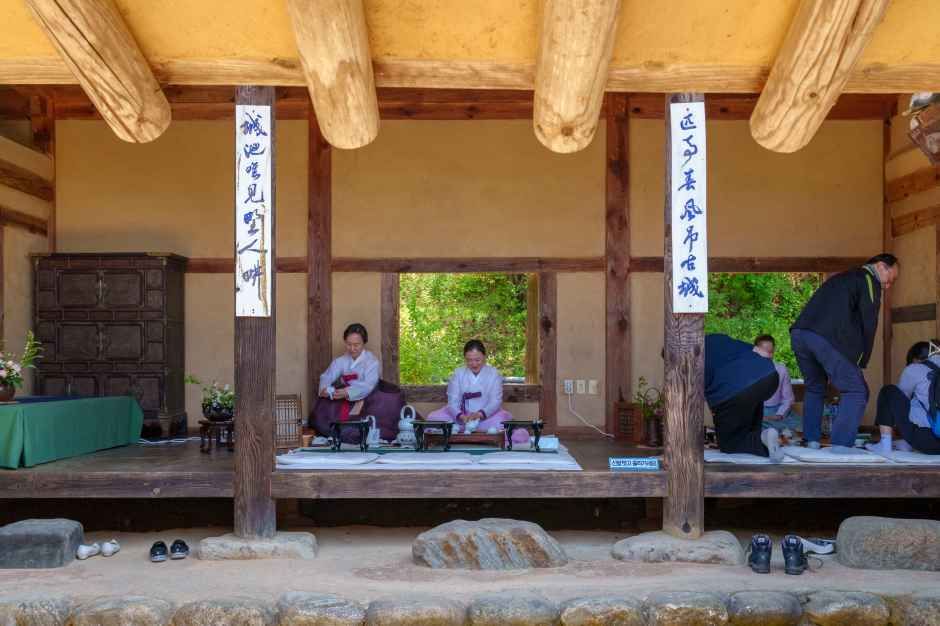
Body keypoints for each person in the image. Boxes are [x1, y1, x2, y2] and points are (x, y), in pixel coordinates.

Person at [790, 254, 899, 450]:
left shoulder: (841, 278)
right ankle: (840, 446)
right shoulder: (868, 279)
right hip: (827, 337)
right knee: (857, 390)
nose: (889, 286)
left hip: (800, 333)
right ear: (881, 266)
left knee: (815, 387)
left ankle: (811, 441)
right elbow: (869, 321)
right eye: (891, 279)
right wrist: (861, 359)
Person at [310, 323, 403, 443]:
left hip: (369, 397)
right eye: (349, 344)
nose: (352, 348)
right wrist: (325, 389)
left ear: (364, 343)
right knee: (322, 413)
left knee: (370, 425)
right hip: (345, 397)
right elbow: (327, 376)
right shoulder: (341, 361)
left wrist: (347, 392)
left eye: (356, 345)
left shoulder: (371, 361)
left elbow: (368, 385)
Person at [427, 340, 528, 444]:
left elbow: (495, 401)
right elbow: (452, 401)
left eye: (477, 360)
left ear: (484, 357)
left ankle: (459, 430)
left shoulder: (494, 374)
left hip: (486, 418)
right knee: (433, 418)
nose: (474, 364)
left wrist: (479, 414)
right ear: (465, 359)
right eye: (469, 360)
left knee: (500, 422)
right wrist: (461, 416)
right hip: (461, 417)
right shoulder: (458, 373)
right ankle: (468, 429)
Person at [705, 333, 782, 460]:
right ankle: (762, 435)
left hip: (734, 390)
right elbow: (759, 351)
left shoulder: (690, 357)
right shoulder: (716, 337)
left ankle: (761, 439)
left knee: (729, 443)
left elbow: (697, 395)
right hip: (769, 376)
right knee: (753, 395)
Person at [868, 340, 940, 455]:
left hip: (927, 441)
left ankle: (885, 445)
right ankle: (908, 443)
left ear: (915, 359)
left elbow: (902, 398)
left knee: (889, 392)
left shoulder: (915, 368)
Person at [753, 334, 801, 434]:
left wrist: (779, 415)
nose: (768, 355)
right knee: (750, 423)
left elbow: (788, 398)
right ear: (755, 351)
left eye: (771, 352)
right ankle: (769, 434)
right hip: (755, 411)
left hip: (776, 411)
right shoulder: (748, 369)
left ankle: (773, 433)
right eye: (764, 352)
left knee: (799, 424)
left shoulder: (781, 369)